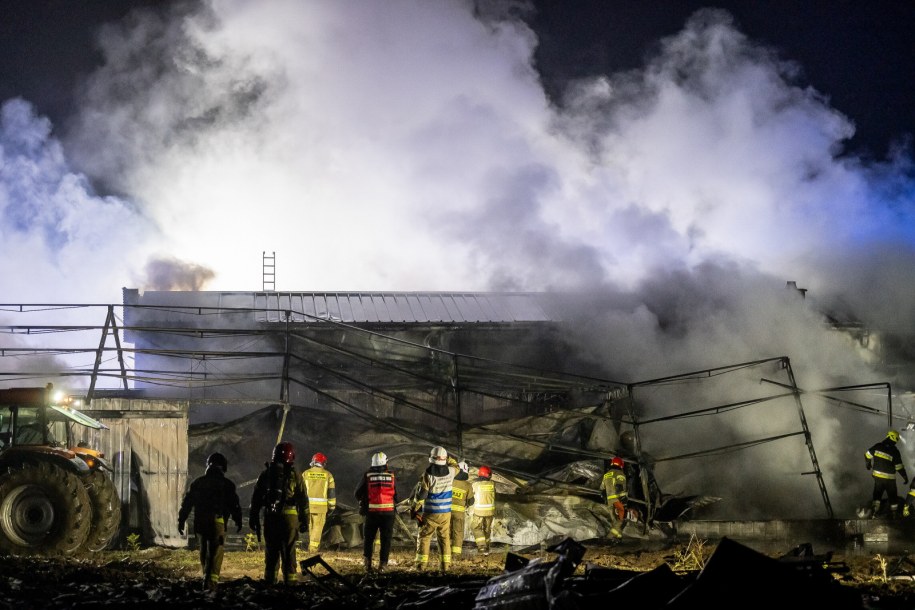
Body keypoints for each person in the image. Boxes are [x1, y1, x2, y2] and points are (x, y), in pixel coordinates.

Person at [177, 452, 243, 592]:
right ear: (223, 467)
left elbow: (187, 503)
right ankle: (210, 585)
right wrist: (238, 520)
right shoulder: (227, 484)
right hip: (216, 523)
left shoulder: (198, 482)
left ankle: (205, 578)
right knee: (215, 552)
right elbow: (234, 505)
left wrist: (181, 520)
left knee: (204, 551)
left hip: (200, 523)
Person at [249, 441, 307, 586]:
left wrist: (253, 517)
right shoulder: (296, 475)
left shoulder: (266, 474)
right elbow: (303, 500)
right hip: (289, 519)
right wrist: (304, 519)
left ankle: (270, 581)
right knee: (289, 550)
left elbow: (256, 498)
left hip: (271, 517)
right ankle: (290, 582)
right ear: (291, 456)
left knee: (271, 550)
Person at [412, 445, 459, 571]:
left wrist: (415, 508)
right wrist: (448, 458)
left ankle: (421, 566)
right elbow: (457, 466)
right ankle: (445, 566)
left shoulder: (427, 475)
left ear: (431, 458)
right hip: (446, 513)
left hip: (431, 513)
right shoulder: (451, 471)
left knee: (424, 537)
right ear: (444, 459)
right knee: (444, 538)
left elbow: (421, 495)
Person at [354, 451, 398, 573]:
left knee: (369, 539)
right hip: (388, 513)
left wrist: (363, 502)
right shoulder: (391, 475)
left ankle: (367, 565)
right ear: (386, 463)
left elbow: (357, 493)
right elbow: (395, 495)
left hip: (372, 513)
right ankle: (383, 565)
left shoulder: (367, 475)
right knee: (386, 540)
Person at [865, 429, 909, 518]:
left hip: (878, 478)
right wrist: (905, 477)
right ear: (893, 438)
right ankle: (894, 515)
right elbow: (899, 467)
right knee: (893, 496)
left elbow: (867, 455)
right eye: (896, 440)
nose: (896, 443)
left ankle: (874, 513)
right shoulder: (895, 451)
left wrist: (868, 464)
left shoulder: (878, 446)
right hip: (890, 480)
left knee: (877, 495)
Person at [302, 451, 336, 553]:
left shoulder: (305, 474)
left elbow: (300, 491)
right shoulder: (328, 475)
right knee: (317, 527)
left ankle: (311, 547)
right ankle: (313, 549)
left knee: (311, 526)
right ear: (323, 463)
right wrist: (332, 507)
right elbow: (331, 493)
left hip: (308, 506)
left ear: (313, 462)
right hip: (321, 508)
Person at [449, 460, 473, 561]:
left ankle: (445, 553)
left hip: (446, 511)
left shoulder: (449, 481)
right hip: (459, 514)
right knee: (458, 533)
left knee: (445, 532)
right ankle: (456, 555)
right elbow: (471, 501)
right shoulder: (467, 485)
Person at [470, 464, 496, 555]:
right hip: (490, 512)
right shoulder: (492, 484)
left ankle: (481, 547)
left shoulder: (475, 484)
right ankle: (487, 549)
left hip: (479, 512)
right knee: (487, 529)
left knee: (475, 527)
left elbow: (470, 495)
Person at [601, 456, 628, 541]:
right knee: (621, 518)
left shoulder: (606, 474)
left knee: (614, 520)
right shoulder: (620, 474)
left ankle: (618, 536)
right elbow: (620, 487)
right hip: (617, 499)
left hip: (609, 500)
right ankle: (609, 537)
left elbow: (602, 488)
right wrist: (623, 499)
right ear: (620, 465)